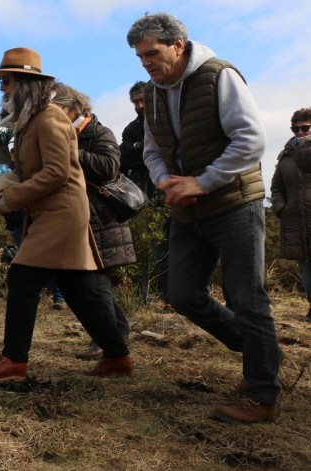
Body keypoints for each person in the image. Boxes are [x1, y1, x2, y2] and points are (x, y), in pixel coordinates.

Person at [127, 12, 279, 424]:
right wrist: (165, 181)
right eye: (140, 58)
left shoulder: (219, 76)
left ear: (178, 45)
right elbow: (152, 151)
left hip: (234, 204)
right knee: (182, 293)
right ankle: (257, 350)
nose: (146, 64)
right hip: (186, 209)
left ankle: (262, 393)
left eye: (152, 54)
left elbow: (251, 139)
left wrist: (203, 181)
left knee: (247, 298)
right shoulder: (154, 93)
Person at [0, 47, 132, 384]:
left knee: (22, 278)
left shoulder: (49, 118)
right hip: (51, 214)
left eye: (6, 80)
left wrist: (12, 197)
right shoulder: (31, 121)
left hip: (60, 214)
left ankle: (14, 361)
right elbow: (34, 170)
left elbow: (58, 172)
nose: (2, 88)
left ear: (26, 83)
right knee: (80, 289)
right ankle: (118, 356)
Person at [51, 82, 136, 361]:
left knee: (94, 284)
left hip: (100, 220)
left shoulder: (99, 133)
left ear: (72, 108)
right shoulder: (63, 134)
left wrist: (69, 150)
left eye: (56, 110)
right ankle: (117, 333)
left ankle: (107, 342)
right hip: (78, 219)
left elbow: (109, 168)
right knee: (90, 284)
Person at [271, 108, 311, 322]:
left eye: (305, 127)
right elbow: (276, 186)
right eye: (296, 129)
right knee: (305, 266)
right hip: (295, 218)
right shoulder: (286, 155)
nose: (300, 132)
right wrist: (280, 207)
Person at [119, 81, 155, 199]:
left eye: (142, 100)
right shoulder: (130, 129)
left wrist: (139, 148)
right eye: (136, 102)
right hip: (141, 188)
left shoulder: (165, 121)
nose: (140, 106)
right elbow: (123, 159)